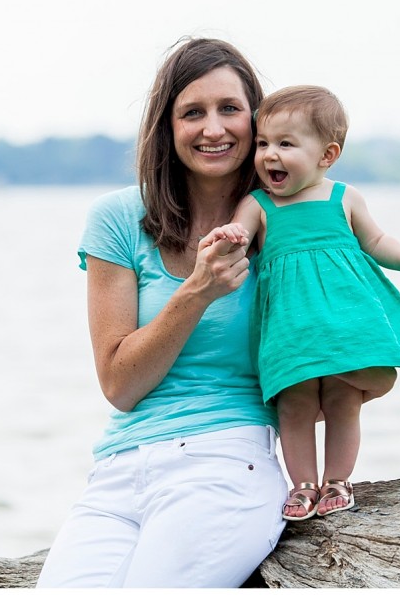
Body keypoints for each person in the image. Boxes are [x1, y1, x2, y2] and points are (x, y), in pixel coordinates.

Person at [35, 38, 288, 588]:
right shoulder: (118, 218)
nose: (213, 129)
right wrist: (195, 292)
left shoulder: (284, 226)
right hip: (119, 472)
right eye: (192, 112)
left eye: (229, 109)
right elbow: (120, 385)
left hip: (226, 460)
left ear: (256, 118)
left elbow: (329, 356)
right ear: (166, 128)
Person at [205, 85, 400, 522]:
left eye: (286, 144)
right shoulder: (259, 204)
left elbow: (376, 241)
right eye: (263, 143)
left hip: (344, 323)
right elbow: (238, 230)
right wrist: (232, 235)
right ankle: (303, 485)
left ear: (326, 155)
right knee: (293, 404)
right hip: (291, 327)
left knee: (342, 400)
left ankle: (338, 479)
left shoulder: (343, 198)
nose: (269, 155)